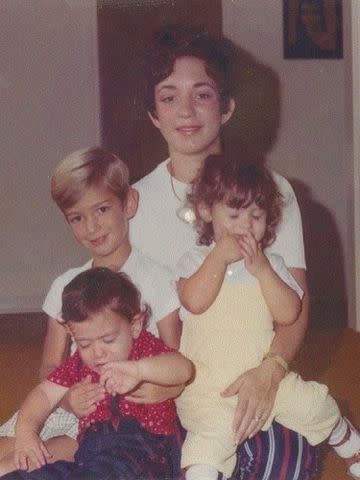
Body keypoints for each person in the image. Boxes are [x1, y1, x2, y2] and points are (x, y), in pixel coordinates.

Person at [130, 23, 316, 478]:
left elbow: (297, 304)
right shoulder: (132, 202)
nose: (187, 111)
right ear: (153, 113)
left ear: (228, 106)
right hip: (168, 384)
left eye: (203, 94)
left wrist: (270, 372)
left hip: (244, 378)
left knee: (288, 459)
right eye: (169, 96)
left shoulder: (273, 192)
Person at [174, 154, 360, 480]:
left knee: (312, 404)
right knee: (209, 439)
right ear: (206, 211)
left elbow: (290, 312)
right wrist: (218, 258)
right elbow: (193, 301)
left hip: (266, 381)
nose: (245, 226)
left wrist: (263, 271)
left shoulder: (271, 264)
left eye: (256, 216)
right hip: (210, 387)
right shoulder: (195, 260)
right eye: (233, 215)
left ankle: (348, 441)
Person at [0, 147, 182, 475]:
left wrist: (161, 389)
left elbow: (179, 360)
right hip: (66, 399)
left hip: (118, 417)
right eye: (77, 218)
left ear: (129, 203)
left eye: (101, 209)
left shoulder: (159, 281)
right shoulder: (66, 285)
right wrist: (69, 399)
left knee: (19, 464)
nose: (92, 227)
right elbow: (50, 367)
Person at [0, 267, 194, 479]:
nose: (98, 353)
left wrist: (139, 370)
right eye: (84, 343)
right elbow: (44, 394)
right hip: (89, 455)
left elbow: (183, 368)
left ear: (135, 326)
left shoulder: (144, 349)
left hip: (144, 453)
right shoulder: (79, 365)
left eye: (108, 340)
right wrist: (26, 431)